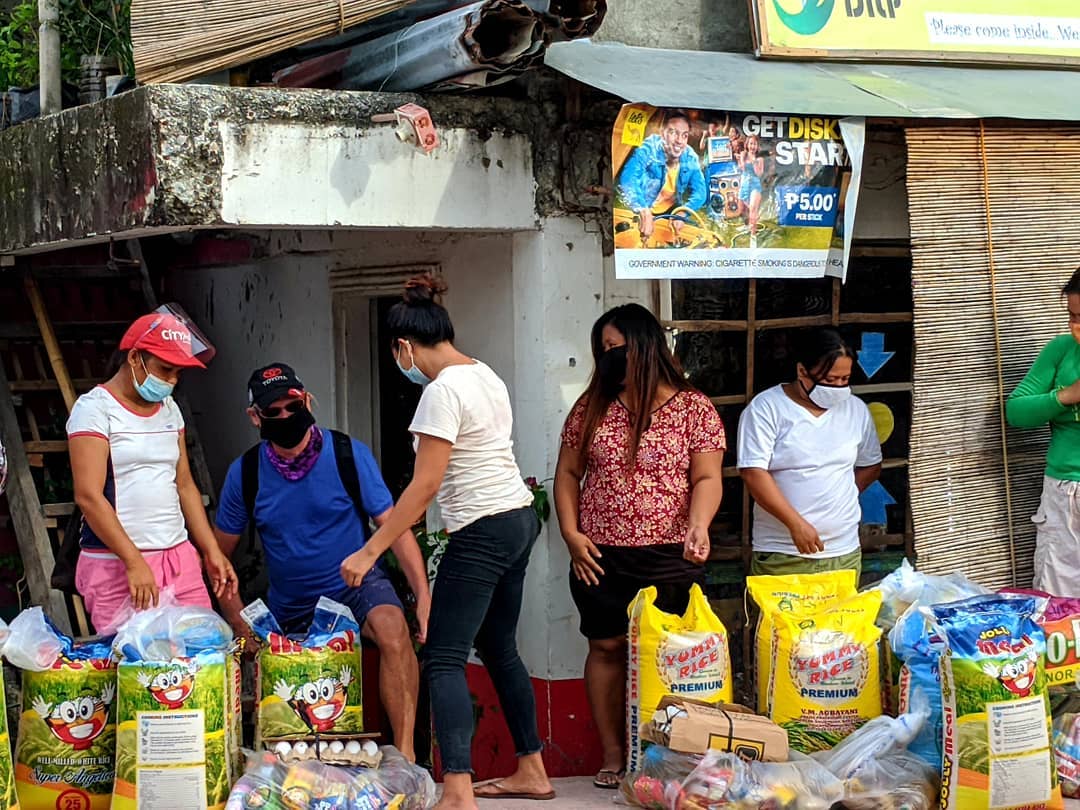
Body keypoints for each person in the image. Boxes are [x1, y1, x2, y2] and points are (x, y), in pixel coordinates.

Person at [338, 275, 553, 808]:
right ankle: (532, 769)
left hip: (481, 529)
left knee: (442, 657)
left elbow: (424, 486)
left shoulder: (440, 392)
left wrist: (370, 550)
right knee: (499, 647)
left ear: (403, 346)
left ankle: (457, 788)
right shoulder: (485, 374)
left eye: (397, 355)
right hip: (517, 519)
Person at [213, 363, 430, 762]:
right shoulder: (245, 474)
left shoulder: (348, 454)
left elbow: (395, 528)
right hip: (291, 605)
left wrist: (423, 595)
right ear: (255, 417)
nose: (285, 416)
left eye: (293, 406)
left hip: (356, 590)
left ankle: (406, 756)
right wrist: (239, 624)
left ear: (308, 401)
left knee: (392, 628)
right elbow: (217, 560)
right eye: (273, 411)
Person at [554, 303, 725, 789]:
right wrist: (571, 534)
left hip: (670, 553)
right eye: (602, 350)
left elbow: (707, 477)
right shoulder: (590, 407)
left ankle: (673, 759)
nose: (608, 357)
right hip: (599, 555)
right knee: (606, 646)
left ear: (644, 346)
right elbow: (567, 474)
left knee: (672, 653)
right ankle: (614, 755)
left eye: (615, 347)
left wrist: (699, 525)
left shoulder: (694, 408)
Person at [67, 309, 237, 632]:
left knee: (203, 651)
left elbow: (184, 485)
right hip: (117, 564)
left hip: (178, 559)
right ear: (134, 358)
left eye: (178, 373)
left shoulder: (170, 409)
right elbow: (88, 496)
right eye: (165, 369)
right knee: (137, 658)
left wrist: (211, 550)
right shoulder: (94, 409)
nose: (172, 380)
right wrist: (133, 561)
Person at [737, 329, 882, 580]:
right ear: (802, 371)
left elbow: (871, 465)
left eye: (845, 379)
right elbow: (753, 473)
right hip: (782, 553)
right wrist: (795, 524)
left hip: (843, 551)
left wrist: (842, 495)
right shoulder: (767, 408)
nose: (838, 387)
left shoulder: (856, 410)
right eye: (829, 380)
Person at [1006, 267, 1080, 596]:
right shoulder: (1061, 350)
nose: (1075, 327)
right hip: (1065, 493)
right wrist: (1066, 396)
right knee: (1059, 596)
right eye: (1072, 316)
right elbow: (1016, 411)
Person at [618, 109, 707, 240]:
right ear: (662, 132)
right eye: (673, 133)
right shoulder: (649, 148)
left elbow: (701, 192)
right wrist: (643, 210)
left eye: (684, 135)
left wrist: (683, 213)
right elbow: (628, 177)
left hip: (671, 210)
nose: (679, 141)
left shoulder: (690, 157)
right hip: (644, 206)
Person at [737, 134, 765, 235]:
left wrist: (754, 162)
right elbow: (742, 168)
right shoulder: (743, 155)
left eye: (755, 144)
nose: (753, 146)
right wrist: (741, 159)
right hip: (744, 184)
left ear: (757, 146)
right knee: (741, 210)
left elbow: (759, 174)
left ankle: (753, 234)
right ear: (747, 145)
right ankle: (748, 225)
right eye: (751, 144)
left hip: (755, 185)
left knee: (753, 208)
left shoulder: (760, 159)